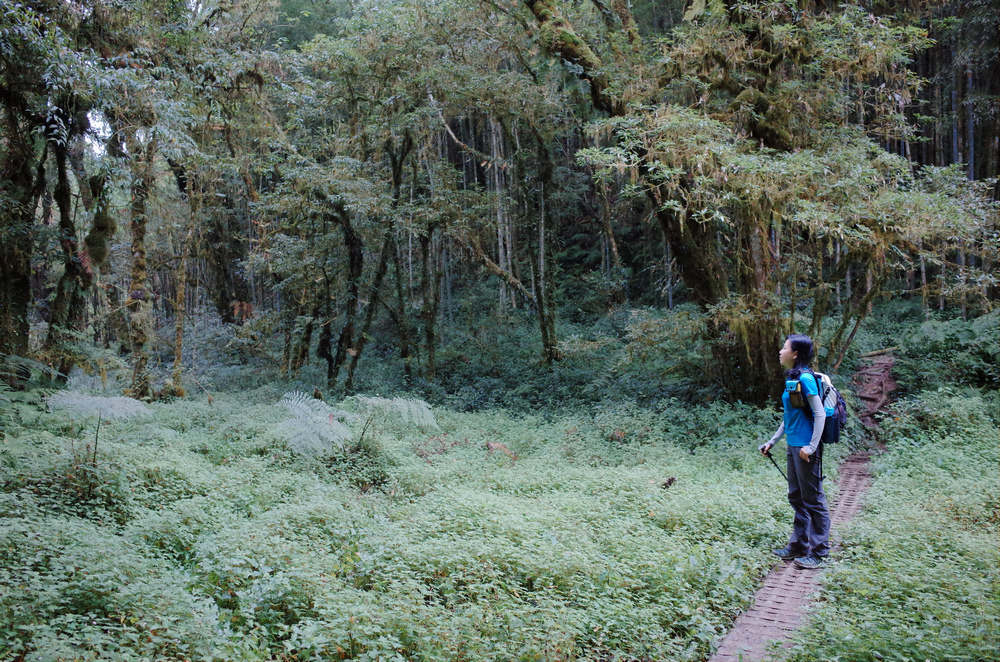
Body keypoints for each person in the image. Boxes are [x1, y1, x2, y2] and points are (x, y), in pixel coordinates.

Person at [758, 333, 830, 569]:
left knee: (813, 499)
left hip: (805, 449)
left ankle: (819, 552)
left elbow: (819, 414)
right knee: (796, 497)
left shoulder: (807, 379)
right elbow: (790, 416)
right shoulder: (793, 378)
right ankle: (798, 545)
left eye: (785, 347)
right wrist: (773, 441)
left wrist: (810, 446)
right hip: (793, 446)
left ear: (796, 353)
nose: (780, 351)